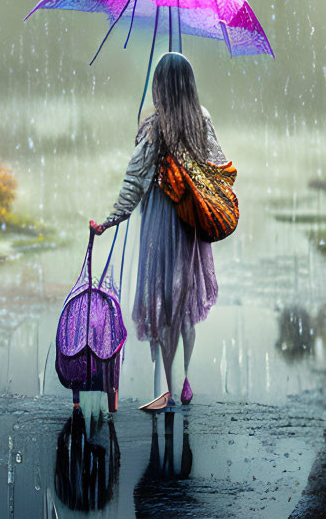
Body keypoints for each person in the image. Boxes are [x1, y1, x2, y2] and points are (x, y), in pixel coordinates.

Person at [91, 52, 224, 411]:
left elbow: (134, 181)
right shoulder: (202, 120)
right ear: (190, 84)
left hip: (162, 222)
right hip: (192, 220)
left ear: (160, 87)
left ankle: (165, 387)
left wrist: (110, 220)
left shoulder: (154, 127)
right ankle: (185, 379)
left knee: (165, 301)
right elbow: (216, 165)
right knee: (185, 299)